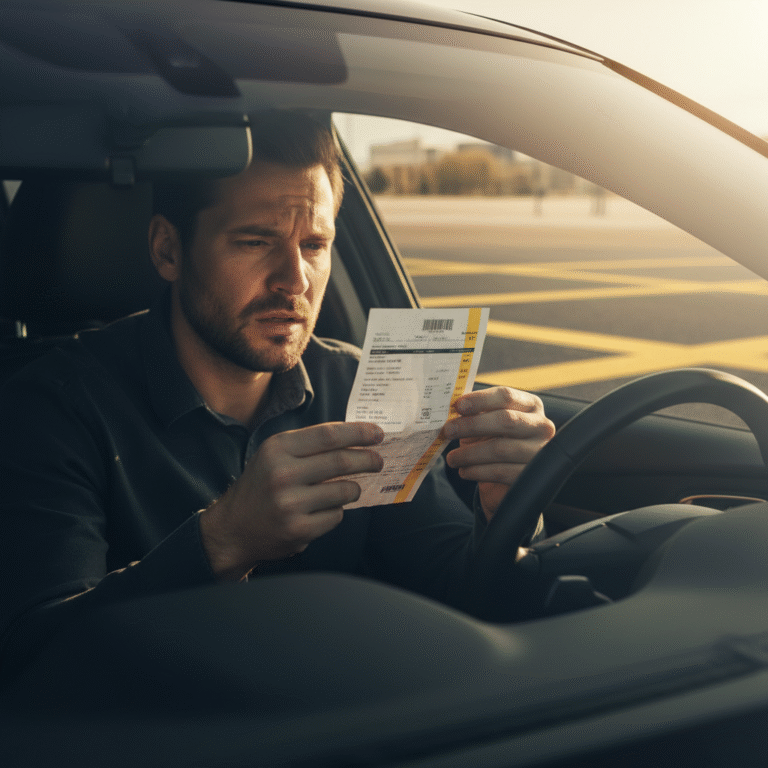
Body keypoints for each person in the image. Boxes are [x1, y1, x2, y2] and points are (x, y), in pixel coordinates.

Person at [0, 111, 554, 683]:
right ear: (168, 250)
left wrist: (508, 513)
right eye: (256, 240)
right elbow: (36, 659)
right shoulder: (49, 407)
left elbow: (456, 594)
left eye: (314, 244)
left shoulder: (360, 387)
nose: (295, 279)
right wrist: (225, 540)